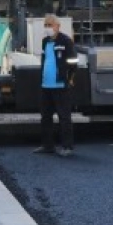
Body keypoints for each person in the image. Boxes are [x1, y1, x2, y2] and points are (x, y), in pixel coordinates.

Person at [34, 14, 76, 158]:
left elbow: (73, 62)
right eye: (46, 25)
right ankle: (47, 145)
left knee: (64, 117)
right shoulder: (45, 41)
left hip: (60, 85)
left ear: (57, 26)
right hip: (46, 85)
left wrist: (69, 78)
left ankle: (67, 146)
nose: (47, 28)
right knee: (45, 117)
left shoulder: (65, 41)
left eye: (50, 25)